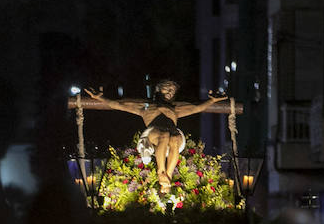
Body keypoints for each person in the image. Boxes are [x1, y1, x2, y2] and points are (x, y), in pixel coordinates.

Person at [86, 80, 230, 190]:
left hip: (172, 139)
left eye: (173, 89)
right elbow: (119, 104)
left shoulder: (175, 108)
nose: (170, 90)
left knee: (174, 137)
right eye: (167, 87)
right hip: (153, 136)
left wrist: (212, 100)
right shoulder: (146, 106)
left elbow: (197, 108)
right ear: (158, 89)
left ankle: (168, 175)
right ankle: (161, 172)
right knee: (164, 134)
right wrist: (101, 98)